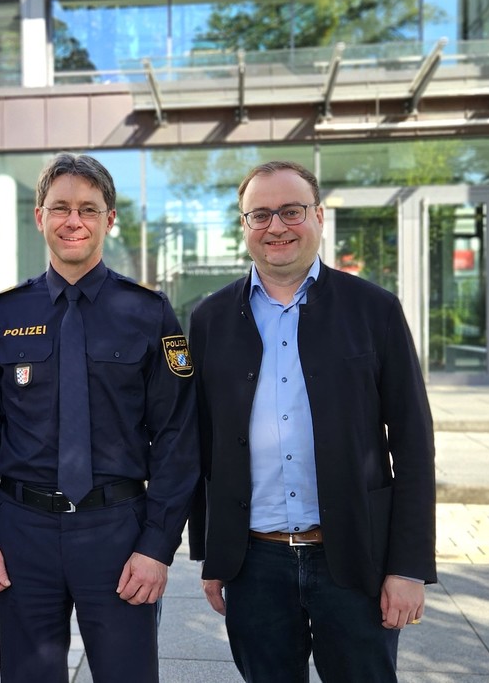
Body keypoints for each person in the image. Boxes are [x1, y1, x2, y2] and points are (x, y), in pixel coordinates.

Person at [0, 153, 199, 683]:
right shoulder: (4, 315)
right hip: (22, 534)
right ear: (39, 217)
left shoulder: (149, 313)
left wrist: (157, 546)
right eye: (60, 208)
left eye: (88, 209)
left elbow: (178, 439)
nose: (73, 221)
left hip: (116, 533)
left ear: (110, 219)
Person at [186, 160, 436, 682]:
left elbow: (414, 446)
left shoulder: (375, 310)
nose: (276, 226)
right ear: (245, 226)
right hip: (254, 564)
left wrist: (408, 566)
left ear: (319, 216)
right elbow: (201, 444)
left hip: (354, 560)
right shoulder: (209, 319)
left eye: (291, 211)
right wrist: (211, 556)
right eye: (260, 215)